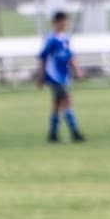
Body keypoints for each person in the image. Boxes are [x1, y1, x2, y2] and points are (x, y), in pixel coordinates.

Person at [36, 10, 85, 143]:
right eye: (63, 21)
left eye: (66, 21)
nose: (65, 23)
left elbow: (70, 57)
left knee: (57, 104)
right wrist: (40, 76)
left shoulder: (65, 39)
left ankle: (53, 134)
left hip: (64, 75)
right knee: (67, 100)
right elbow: (42, 58)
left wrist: (77, 70)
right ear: (56, 23)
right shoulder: (51, 39)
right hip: (54, 76)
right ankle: (75, 133)